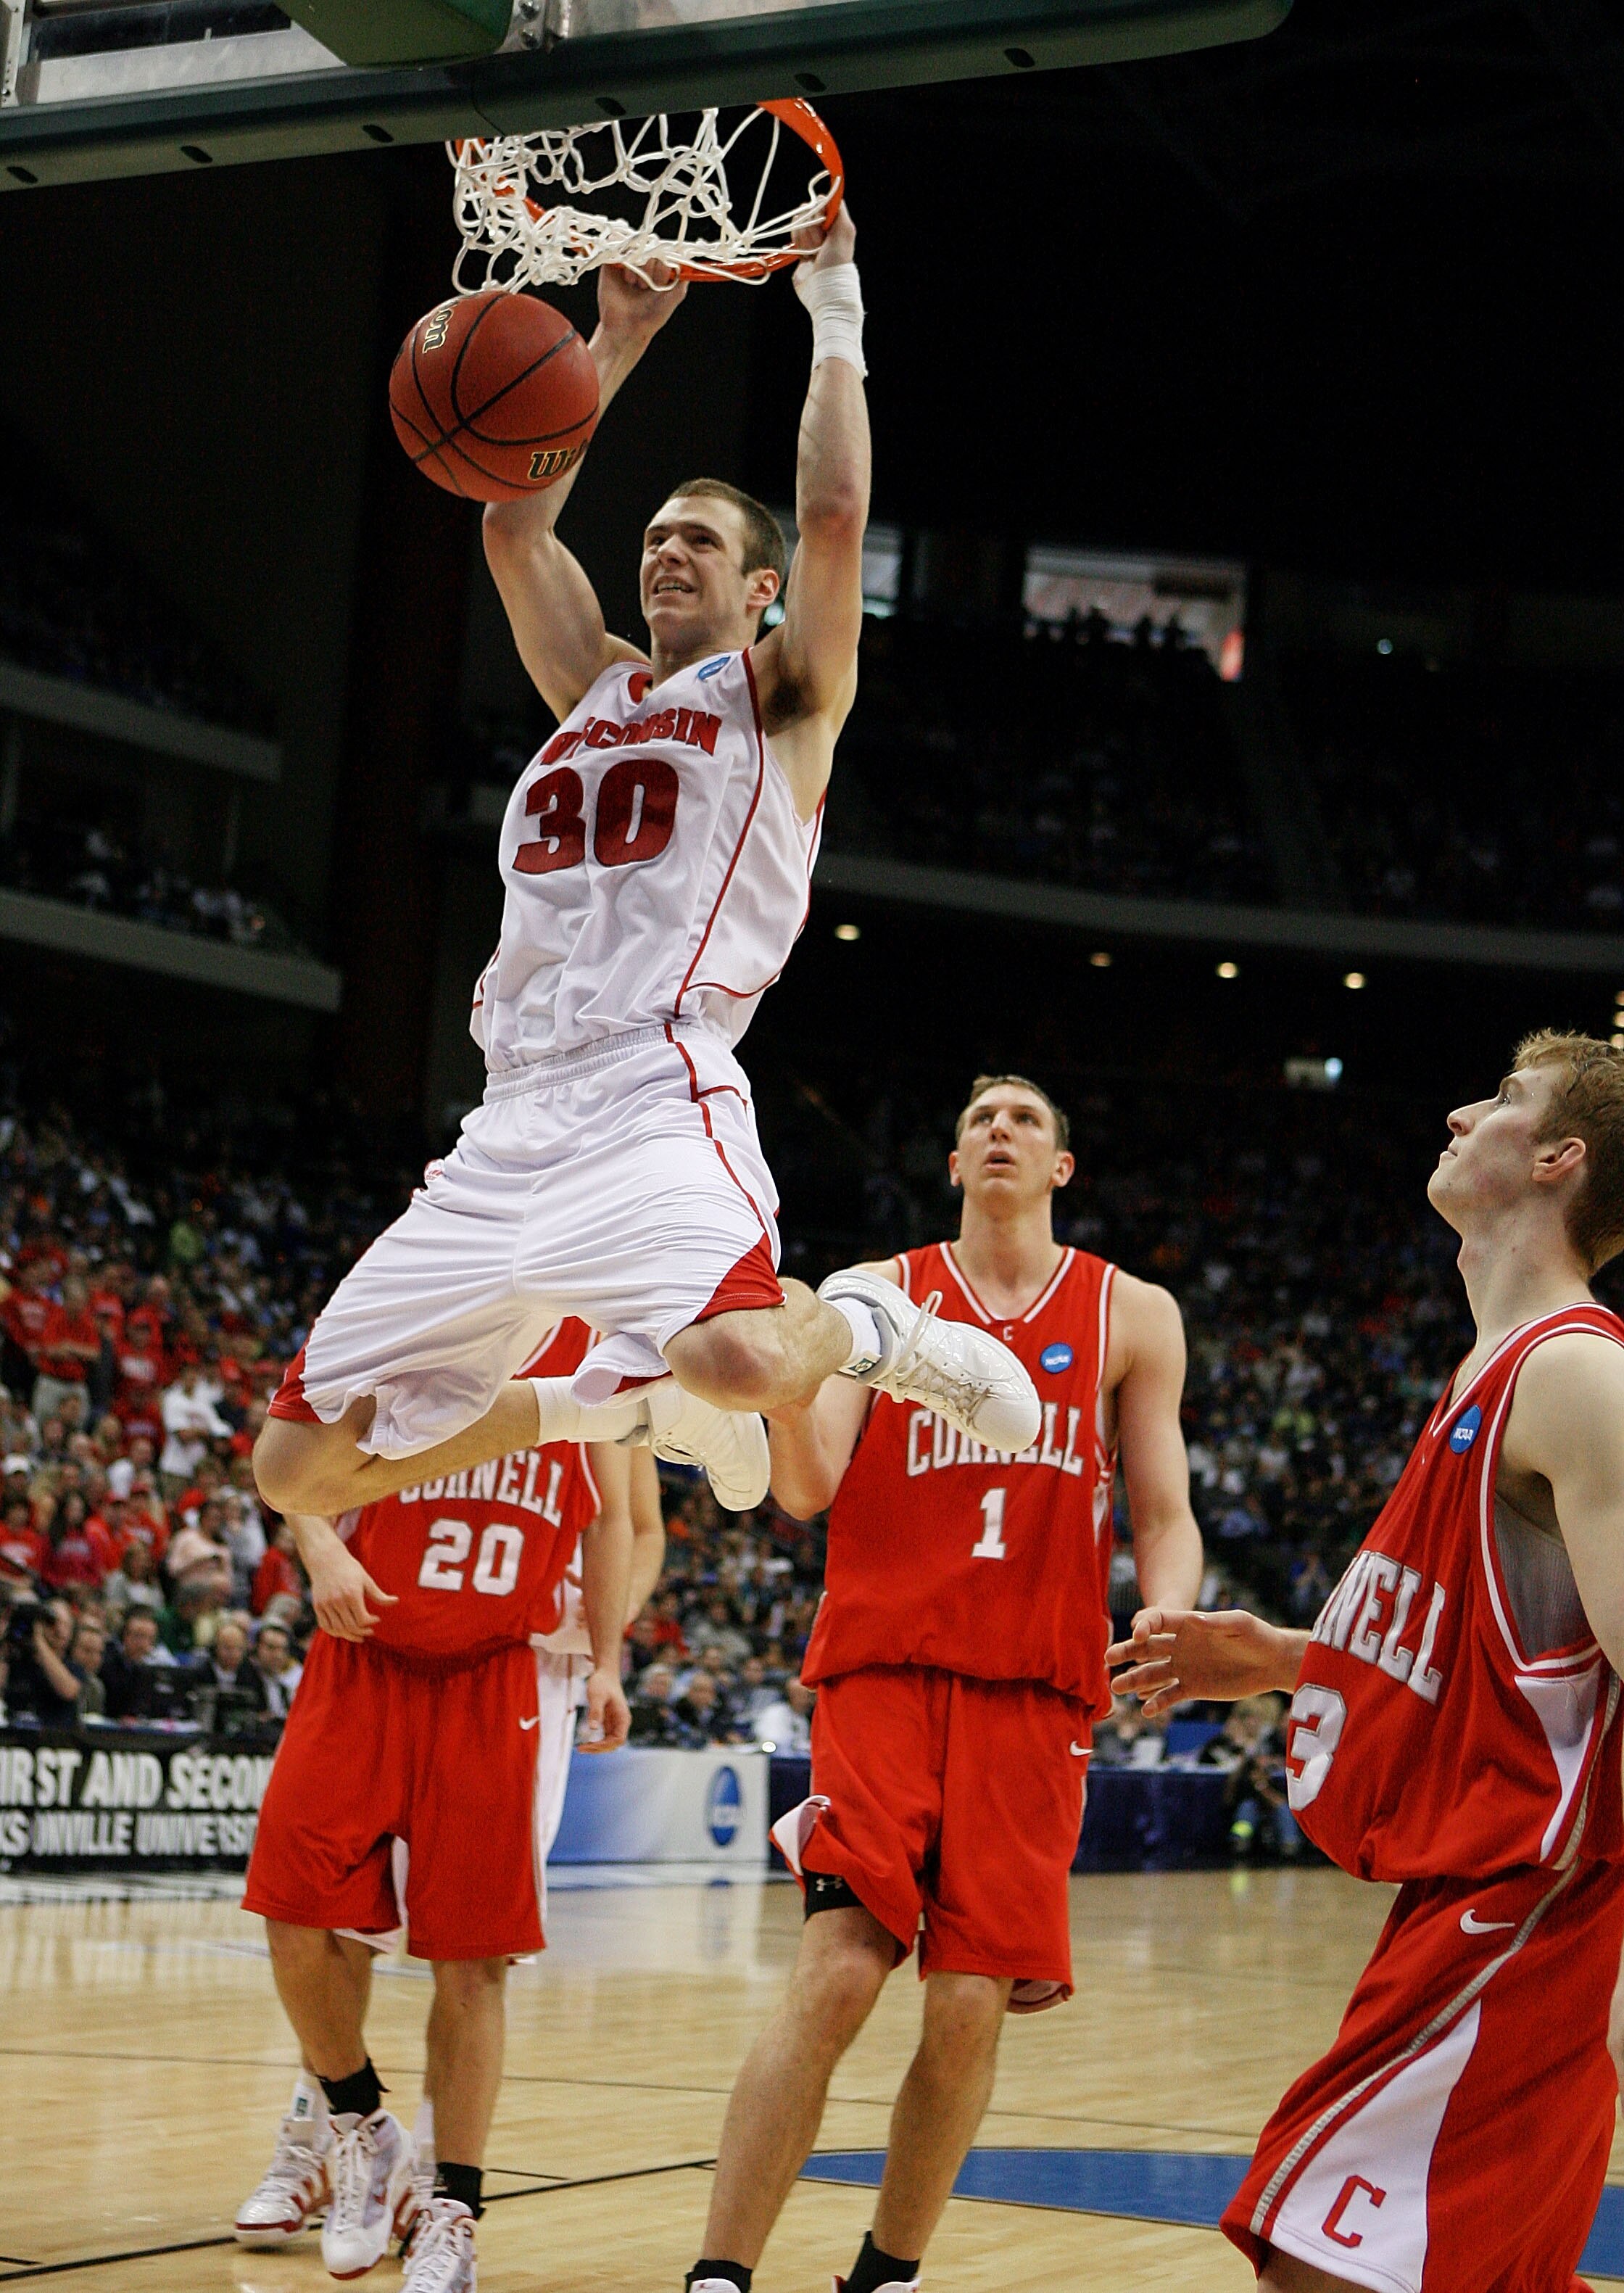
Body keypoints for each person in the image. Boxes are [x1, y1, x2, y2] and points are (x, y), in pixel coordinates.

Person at [252, 206, 1038, 1539]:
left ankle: (860, 1324)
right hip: (509, 1114)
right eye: (657, 535)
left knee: (737, 1362)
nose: (666, 550)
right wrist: (612, 339)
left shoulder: (783, 697)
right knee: (295, 1471)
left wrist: (833, 298)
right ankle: (603, 1404)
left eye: (703, 543)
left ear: (761, 592)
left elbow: (838, 513)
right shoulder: (595, 685)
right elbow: (513, 529)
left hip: (652, 1087)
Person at [1109, 1029, 1624, 2293]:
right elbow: (1498, 1662)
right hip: (1475, 1903)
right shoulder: (1488, 1374)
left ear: (1562, 1158)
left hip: (1528, 1912)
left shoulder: (1573, 1376)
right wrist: (1291, 1655)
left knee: (1314, 2265)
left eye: (1503, 1098)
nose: (1459, 1111)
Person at [687, 1072, 1204, 2293]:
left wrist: (1169, 1607)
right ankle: (718, 2274)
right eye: (979, 1120)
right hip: (884, 1666)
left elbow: (1164, 1510)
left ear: (1061, 1166)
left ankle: (889, 2273)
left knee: (970, 2002)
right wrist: (795, 1379)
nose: (1001, 1131)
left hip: (1036, 1686)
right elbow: (810, 1488)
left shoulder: (1135, 1313)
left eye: (1027, 1118)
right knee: (840, 1970)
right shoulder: (881, 1294)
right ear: (955, 1163)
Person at [237, 1329, 664, 2291]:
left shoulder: (603, 1349)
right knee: (303, 1913)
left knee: (473, 1951)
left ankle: (449, 2202)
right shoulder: (418, 1301)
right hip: (368, 1646)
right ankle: (348, 2123)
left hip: (500, 1667)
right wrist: (319, 1550)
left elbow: (620, 1521)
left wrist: (603, 1653)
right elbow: (292, 1457)